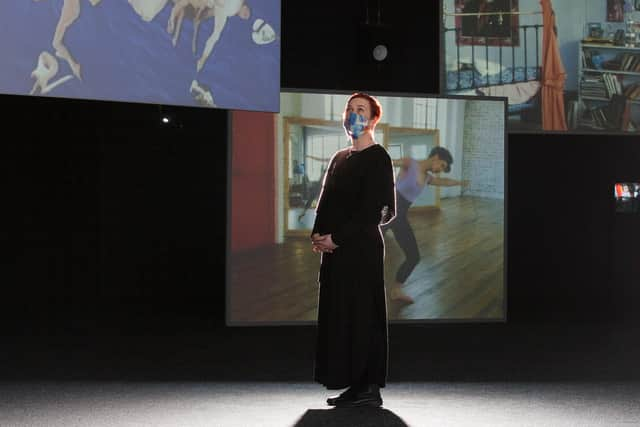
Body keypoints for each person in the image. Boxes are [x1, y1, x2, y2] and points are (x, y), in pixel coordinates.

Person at [311, 93, 395, 408]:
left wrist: (338, 238)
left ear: (374, 119)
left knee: (362, 316)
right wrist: (318, 235)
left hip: (360, 250)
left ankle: (369, 386)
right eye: (349, 109)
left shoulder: (378, 157)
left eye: (361, 110)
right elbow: (325, 201)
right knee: (340, 316)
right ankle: (353, 385)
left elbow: (375, 211)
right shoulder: (339, 158)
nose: (353, 114)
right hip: (335, 252)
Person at [382, 147, 468, 304]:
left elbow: (443, 182)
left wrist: (460, 182)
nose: (439, 170)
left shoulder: (428, 178)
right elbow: (384, 163)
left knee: (414, 257)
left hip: (399, 218)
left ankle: (396, 290)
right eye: (441, 165)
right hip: (386, 213)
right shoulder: (410, 163)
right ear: (436, 157)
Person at [34, 0, 103, 80]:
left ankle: (74, 65)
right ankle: (65, 56)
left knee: (56, 43)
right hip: (70, 11)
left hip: (70, 12)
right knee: (56, 44)